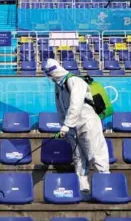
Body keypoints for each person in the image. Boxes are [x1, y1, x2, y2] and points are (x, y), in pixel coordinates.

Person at [44, 59, 110, 194]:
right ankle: (83, 191)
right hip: (73, 128)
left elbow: (76, 105)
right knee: (79, 159)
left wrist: (67, 125)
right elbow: (61, 109)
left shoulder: (75, 81)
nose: (50, 78)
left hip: (88, 123)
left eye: (50, 74)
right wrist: (64, 127)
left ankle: (106, 188)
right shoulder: (58, 87)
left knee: (96, 155)